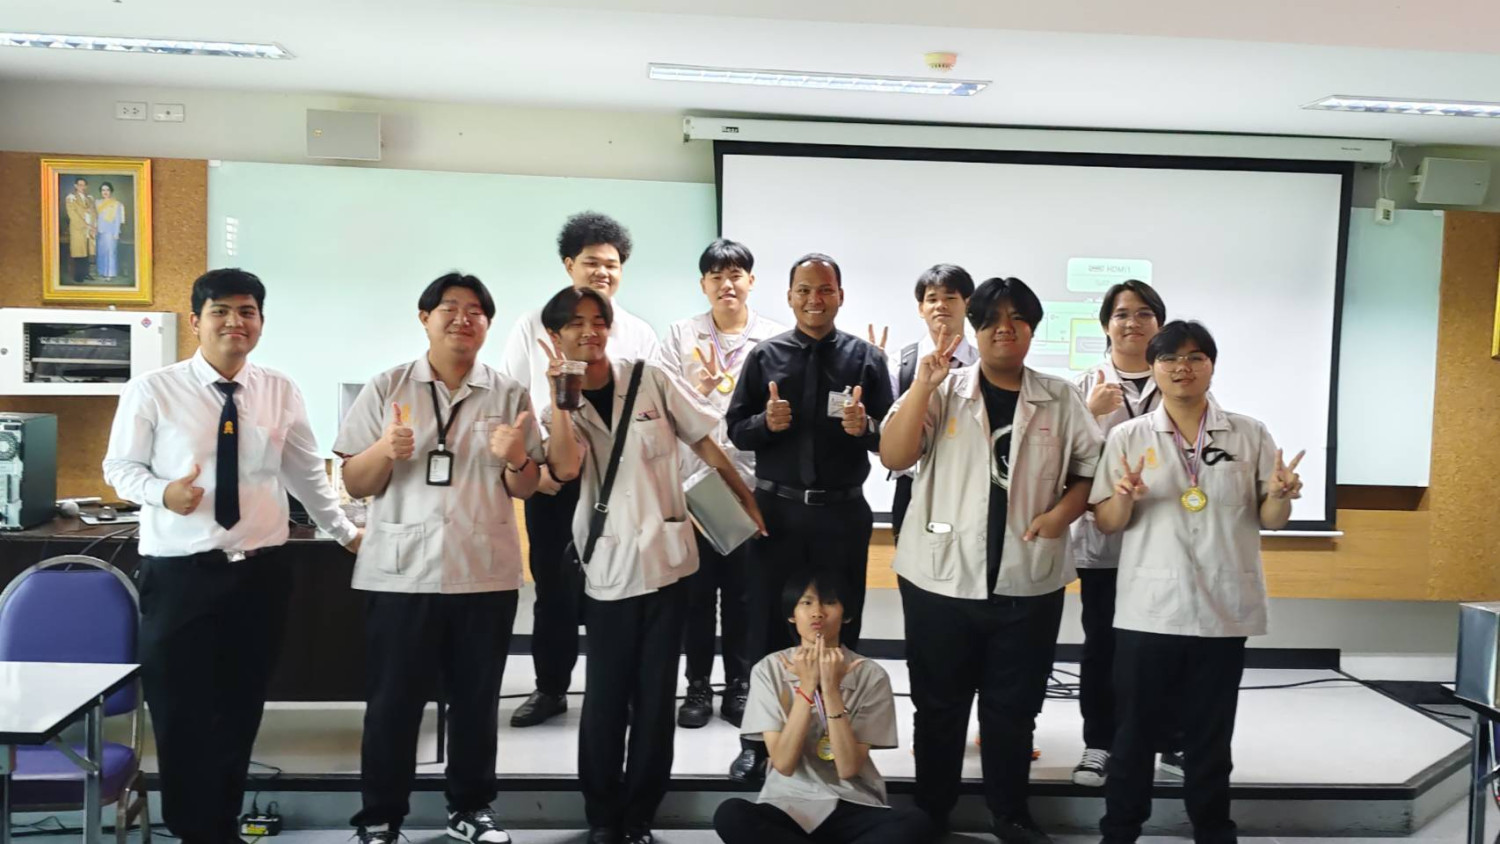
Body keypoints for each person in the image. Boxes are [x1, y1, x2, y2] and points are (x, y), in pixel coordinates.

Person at [102, 268, 362, 844]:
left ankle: (220, 826)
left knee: (241, 709)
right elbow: (119, 468)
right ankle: (193, 829)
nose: (234, 322)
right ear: (196, 321)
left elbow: (305, 472)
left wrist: (344, 532)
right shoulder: (153, 389)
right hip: (181, 576)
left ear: (261, 323)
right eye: (219, 311)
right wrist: (163, 493)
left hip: (260, 575)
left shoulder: (279, 389)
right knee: (180, 712)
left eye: (247, 311)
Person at [538, 286, 766, 844]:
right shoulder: (557, 407)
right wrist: (561, 400)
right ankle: (601, 815)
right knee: (605, 699)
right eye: (575, 323)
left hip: (667, 563)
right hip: (609, 567)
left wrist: (746, 500)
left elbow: (706, 442)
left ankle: (640, 815)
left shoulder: (650, 379)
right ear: (555, 336)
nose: (589, 331)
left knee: (656, 697)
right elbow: (564, 469)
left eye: (597, 320)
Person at [879, 276, 1100, 844]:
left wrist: (1062, 515)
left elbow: (1088, 470)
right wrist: (923, 386)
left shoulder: (1060, 397)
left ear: (1032, 329)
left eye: (1017, 318)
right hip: (940, 580)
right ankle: (932, 811)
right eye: (992, 319)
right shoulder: (943, 387)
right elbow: (896, 454)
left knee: (1014, 708)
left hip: (1028, 579)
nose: (1005, 329)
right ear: (975, 329)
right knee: (938, 706)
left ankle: (1011, 813)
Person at [334, 273, 545, 844]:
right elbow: (354, 482)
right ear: (424, 317)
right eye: (449, 308)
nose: (462, 319)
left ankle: (471, 809)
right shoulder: (387, 387)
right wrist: (385, 449)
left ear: (488, 324)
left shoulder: (508, 393)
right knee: (393, 705)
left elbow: (526, 487)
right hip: (400, 574)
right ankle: (380, 816)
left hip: (483, 572)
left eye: (475, 311)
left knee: (476, 703)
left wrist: (518, 457)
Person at [1091, 320, 1303, 844]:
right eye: (1169, 359)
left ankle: (1213, 828)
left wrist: (1281, 495)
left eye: (1194, 358)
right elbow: (1107, 522)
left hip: (1221, 609)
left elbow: (1271, 519)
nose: (1181, 368)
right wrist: (1124, 496)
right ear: (1153, 369)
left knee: (1211, 735)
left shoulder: (1249, 433)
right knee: (1133, 733)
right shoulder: (1128, 436)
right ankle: (1120, 830)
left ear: (1211, 365)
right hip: (1149, 610)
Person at [723, 253, 895, 782]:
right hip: (777, 513)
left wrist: (866, 428)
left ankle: (835, 738)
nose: (814, 299)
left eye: (824, 290)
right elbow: (736, 428)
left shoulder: (867, 360)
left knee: (843, 623)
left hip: (842, 513)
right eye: (804, 290)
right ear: (789, 296)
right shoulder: (765, 356)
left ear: (840, 295)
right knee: (765, 624)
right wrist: (765, 423)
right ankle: (758, 742)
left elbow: (890, 438)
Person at [496, 211, 662, 728]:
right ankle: (550, 688)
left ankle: (620, 689)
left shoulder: (638, 332)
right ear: (569, 265)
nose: (602, 272)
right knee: (554, 590)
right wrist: (535, 469)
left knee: (624, 587)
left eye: (612, 264)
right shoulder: (533, 325)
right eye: (591, 262)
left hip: (621, 487)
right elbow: (513, 397)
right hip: (553, 481)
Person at [661, 238, 788, 729]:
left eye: (735, 275)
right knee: (696, 596)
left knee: (744, 596)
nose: (726, 284)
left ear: (751, 281)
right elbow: (665, 405)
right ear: (703, 284)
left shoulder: (774, 339)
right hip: (692, 486)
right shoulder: (680, 335)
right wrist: (702, 390)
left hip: (750, 486)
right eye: (716, 276)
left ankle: (739, 685)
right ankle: (696, 686)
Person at [712, 569, 932, 844]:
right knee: (731, 814)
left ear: (846, 614)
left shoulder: (871, 674)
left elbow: (848, 768)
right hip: (790, 804)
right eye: (806, 603)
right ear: (792, 615)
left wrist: (830, 690)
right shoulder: (769, 670)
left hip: (854, 802)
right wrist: (806, 688)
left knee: (916, 823)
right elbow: (784, 764)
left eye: (829, 602)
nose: (817, 612)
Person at [1067, 279, 1172, 787]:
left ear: (1159, 324)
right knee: (1103, 646)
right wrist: (1090, 413)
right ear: (1106, 325)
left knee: (1169, 643)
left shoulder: (1178, 378)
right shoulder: (1081, 385)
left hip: (1167, 539)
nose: (1133, 323)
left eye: (1144, 313)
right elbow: (1058, 459)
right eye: (1122, 314)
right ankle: (1099, 744)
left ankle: (1170, 740)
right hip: (1104, 541)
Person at [886, 264, 977, 543]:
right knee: (911, 565)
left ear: (968, 304)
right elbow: (884, 437)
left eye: (950, 297)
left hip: (970, 488)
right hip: (912, 486)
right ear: (920, 308)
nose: (941, 306)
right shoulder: (901, 363)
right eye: (932, 299)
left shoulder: (983, 364)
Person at [64, 176, 96, 282]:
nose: (82, 187)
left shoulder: (89, 199)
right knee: (79, 252)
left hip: (89, 229)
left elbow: (94, 213)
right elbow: (72, 214)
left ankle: (86, 273)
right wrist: (85, 224)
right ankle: (78, 276)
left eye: (84, 185)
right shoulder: (71, 198)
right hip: (78, 229)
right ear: (75, 186)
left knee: (86, 252)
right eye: (80, 185)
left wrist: (93, 225)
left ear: (86, 186)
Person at [95, 181, 125, 279]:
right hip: (100, 231)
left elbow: (118, 220)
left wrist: (116, 233)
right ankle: (102, 272)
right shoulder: (97, 203)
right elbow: (94, 217)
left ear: (111, 191)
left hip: (111, 232)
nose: (105, 192)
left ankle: (110, 274)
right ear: (101, 192)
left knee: (110, 253)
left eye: (107, 190)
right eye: (103, 190)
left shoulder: (117, 204)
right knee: (101, 252)